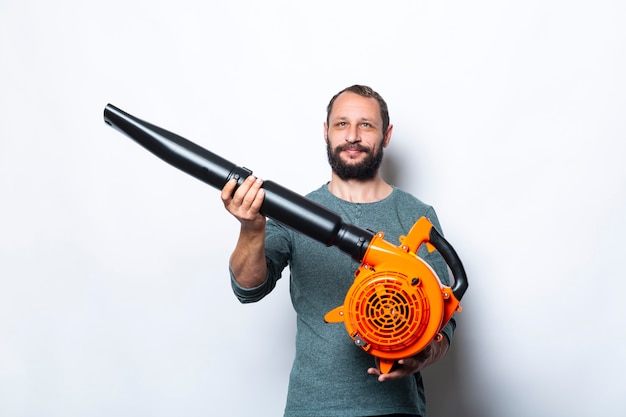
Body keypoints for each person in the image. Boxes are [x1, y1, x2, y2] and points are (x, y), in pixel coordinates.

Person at [221, 85, 456, 417]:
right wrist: (251, 227)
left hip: (395, 408)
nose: (353, 135)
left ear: (386, 135)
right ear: (326, 132)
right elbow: (248, 288)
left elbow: (444, 320)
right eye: (342, 124)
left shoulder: (417, 216)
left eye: (366, 125)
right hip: (312, 407)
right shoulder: (294, 212)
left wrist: (425, 352)